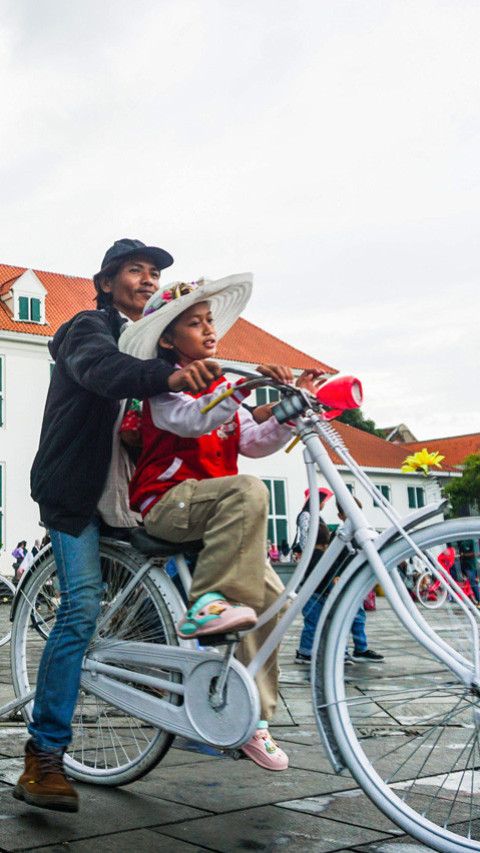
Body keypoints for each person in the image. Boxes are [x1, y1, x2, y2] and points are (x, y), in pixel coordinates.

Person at [14, 239, 224, 814]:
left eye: (154, 273)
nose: (149, 280)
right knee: (81, 607)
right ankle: (45, 756)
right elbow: (103, 371)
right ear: (106, 282)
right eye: (137, 270)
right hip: (76, 491)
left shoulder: (156, 343)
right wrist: (169, 378)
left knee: (188, 580)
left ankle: (196, 705)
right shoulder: (87, 329)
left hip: (131, 493)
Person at [124, 277, 324, 771]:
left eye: (210, 320)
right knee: (250, 488)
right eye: (195, 323)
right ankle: (207, 604)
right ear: (169, 339)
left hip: (215, 509)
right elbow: (191, 421)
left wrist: (288, 403)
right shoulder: (163, 383)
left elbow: (253, 441)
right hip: (167, 502)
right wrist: (238, 390)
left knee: (275, 597)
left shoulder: (223, 385)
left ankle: (253, 716)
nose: (209, 329)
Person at [295, 497, 384, 665]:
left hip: (353, 582)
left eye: (358, 513)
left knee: (357, 617)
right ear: (340, 516)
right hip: (340, 584)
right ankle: (340, 651)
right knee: (339, 619)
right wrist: (336, 576)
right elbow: (333, 562)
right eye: (350, 514)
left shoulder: (362, 534)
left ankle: (359, 649)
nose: (355, 518)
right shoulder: (339, 536)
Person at [458, 539, 480, 605]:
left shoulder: (473, 541)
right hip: (465, 566)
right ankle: (477, 599)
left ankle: (478, 599)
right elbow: (460, 555)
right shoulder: (462, 543)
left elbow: (476, 553)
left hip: (473, 566)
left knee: (473, 582)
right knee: (471, 583)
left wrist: (465, 555)